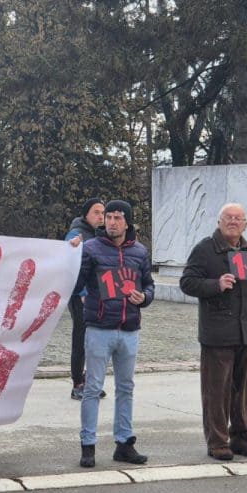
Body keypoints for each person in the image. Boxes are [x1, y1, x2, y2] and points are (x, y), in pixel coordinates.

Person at [71, 200, 154, 468]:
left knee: (126, 387)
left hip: (129, 328)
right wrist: (70, 255)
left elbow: (149, 285)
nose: (112, 222)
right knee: (93, 388)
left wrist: (144, 298)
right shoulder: (91, 248)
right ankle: (88, 444)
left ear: (127, 222)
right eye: (108, 217)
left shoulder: (140, 252)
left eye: (118, 217)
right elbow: (75, 282)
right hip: (99, 327)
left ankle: (124, 442)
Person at [180, 203, 247, 461]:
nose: (233, 222)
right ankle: (217, 441)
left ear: (246, 224)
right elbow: (187, 282)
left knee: (243, 391)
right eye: (228, 217)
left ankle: (242, 437)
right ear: (219, 221)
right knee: (217, 391)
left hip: (246, 330)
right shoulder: (205, 249)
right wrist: (216, 284)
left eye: (239, 218)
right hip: (217, 331)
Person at [64, 197, 106, 400]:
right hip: (79, 295)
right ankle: (77, 383)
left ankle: (91, 380)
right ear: (86, 215)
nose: (101, 216)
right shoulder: (77, 233)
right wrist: (81, 294)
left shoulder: (102, 235)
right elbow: (71, 260)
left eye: (102, 213)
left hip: (98, 294)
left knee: (97, 338)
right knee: (80, 337)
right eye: (96, 212)